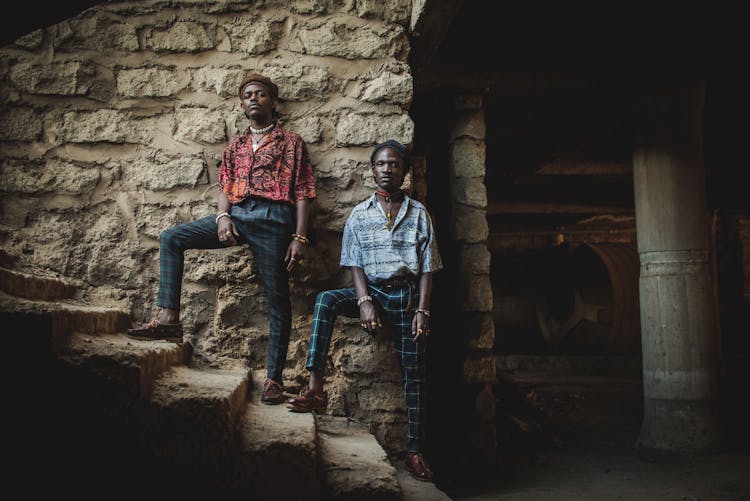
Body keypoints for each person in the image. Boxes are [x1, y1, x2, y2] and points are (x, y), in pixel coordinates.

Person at [128, 73, 316, 405]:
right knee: (172, 237)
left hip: (274, 221)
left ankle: (273, 379)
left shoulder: (291, 142)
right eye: (247, 96)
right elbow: (225, 187)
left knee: (278, 300)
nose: (253, 99)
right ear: (242, 105)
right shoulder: (236, 146)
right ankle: (169, 318)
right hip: (239, 216)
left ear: (272, 101)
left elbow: (303, 191)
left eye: (259, 94)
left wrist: (299, 236)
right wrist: (223, 216)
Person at [285, 140, 442, 482]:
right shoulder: (360, 213)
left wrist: (423, 311)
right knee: (326, 299)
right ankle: (314, 387)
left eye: (395, 164)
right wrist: (364, 301)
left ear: (404, 171)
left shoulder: (419, 214)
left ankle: (415, 452)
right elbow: (354, 263)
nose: (388, 169)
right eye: (382, 164)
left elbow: (428, 266)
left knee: (415, 375)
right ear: (372, 170)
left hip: (406, 297)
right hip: (370, 292)